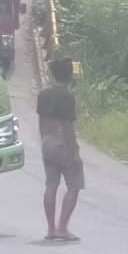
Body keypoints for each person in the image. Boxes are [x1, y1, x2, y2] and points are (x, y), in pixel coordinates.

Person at [37, 56, 84, 241]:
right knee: (74, 185)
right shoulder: (67, 96)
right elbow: (67, 126)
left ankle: (50, 229)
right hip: (62, 143)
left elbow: (40, 122)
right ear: (70, 75)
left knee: (51, 185)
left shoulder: (43, 94)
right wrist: (74, 152)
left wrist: (44, 141)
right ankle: (62, 227)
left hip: (47, 142)